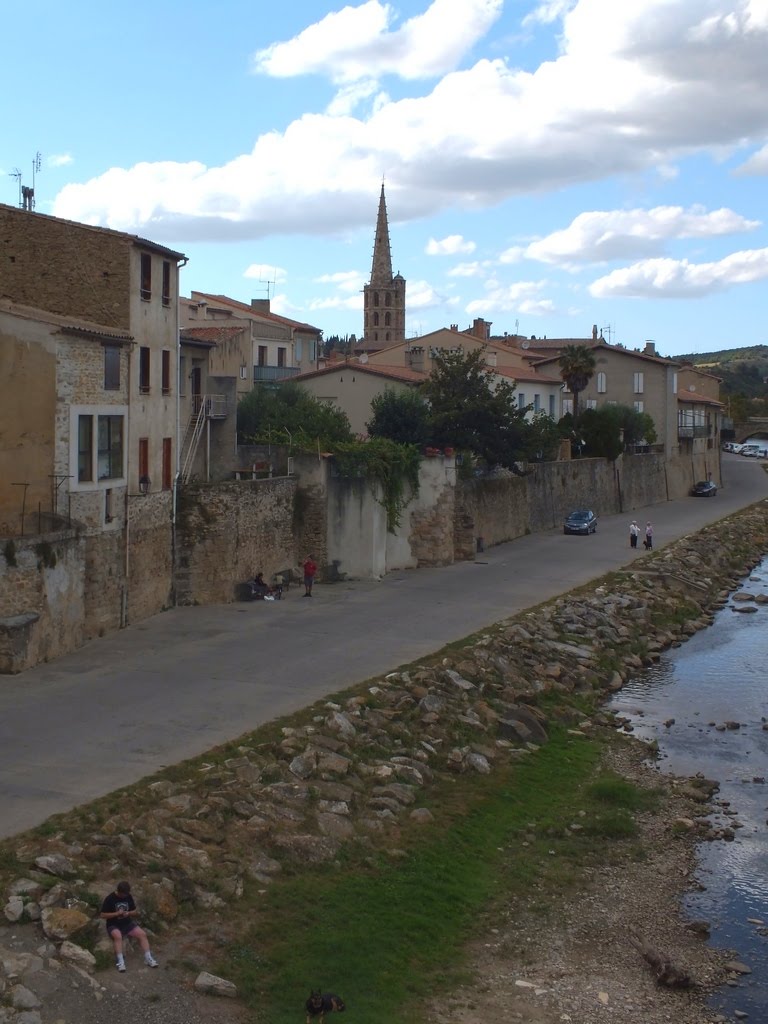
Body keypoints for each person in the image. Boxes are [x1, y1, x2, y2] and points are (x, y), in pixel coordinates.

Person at [100, 880, 158, 972]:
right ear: (119, 892)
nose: (125, 896)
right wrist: (116, 914)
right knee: (118, 936)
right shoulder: (110, 898)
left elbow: (135, 912)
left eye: (127, 894)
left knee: (142, 934)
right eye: (124, 894)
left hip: (127, 923)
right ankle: (120, 961)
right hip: (113, 924)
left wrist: (128, 913)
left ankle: (148, 958)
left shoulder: (128, 896)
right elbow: (103, 915)